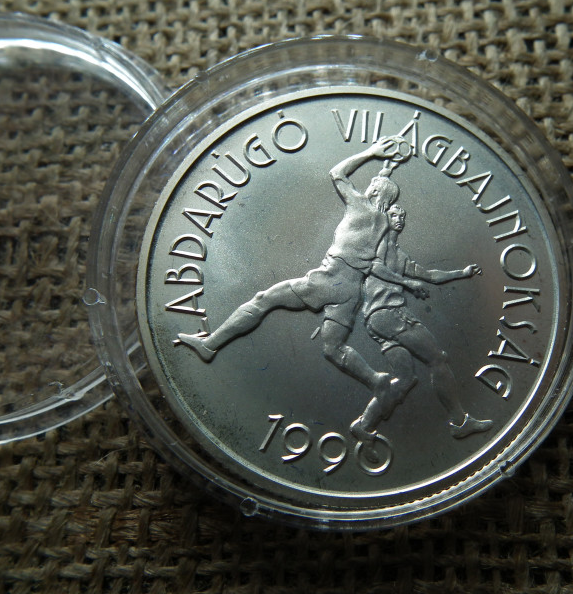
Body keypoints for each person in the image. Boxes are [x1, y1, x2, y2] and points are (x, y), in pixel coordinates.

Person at [176, 136, 427, 405]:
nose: (367, 187)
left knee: (263, 300)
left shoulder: (359, 206)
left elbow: (337, 173)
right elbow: (376, 263)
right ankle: (376, 381)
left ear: (375, 192)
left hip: (327, 280)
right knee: (333, 348)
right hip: (351, 292)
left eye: (372, 186)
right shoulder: (384, 225)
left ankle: (210, 345)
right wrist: (386, 169)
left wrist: (371, 152)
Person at [350, 204, 493, 450]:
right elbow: (374, 267)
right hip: (389, 314)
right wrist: (407, 283)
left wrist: (462, 273)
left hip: (377, 321)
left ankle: (364, 425)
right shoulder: (378, 245)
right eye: (394, 215)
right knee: (437, 358)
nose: (400, 219)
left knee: (405, 378)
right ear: (383, 217)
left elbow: (429, 275)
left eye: (402, 216)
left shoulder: (399, 255)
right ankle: (460, 422)